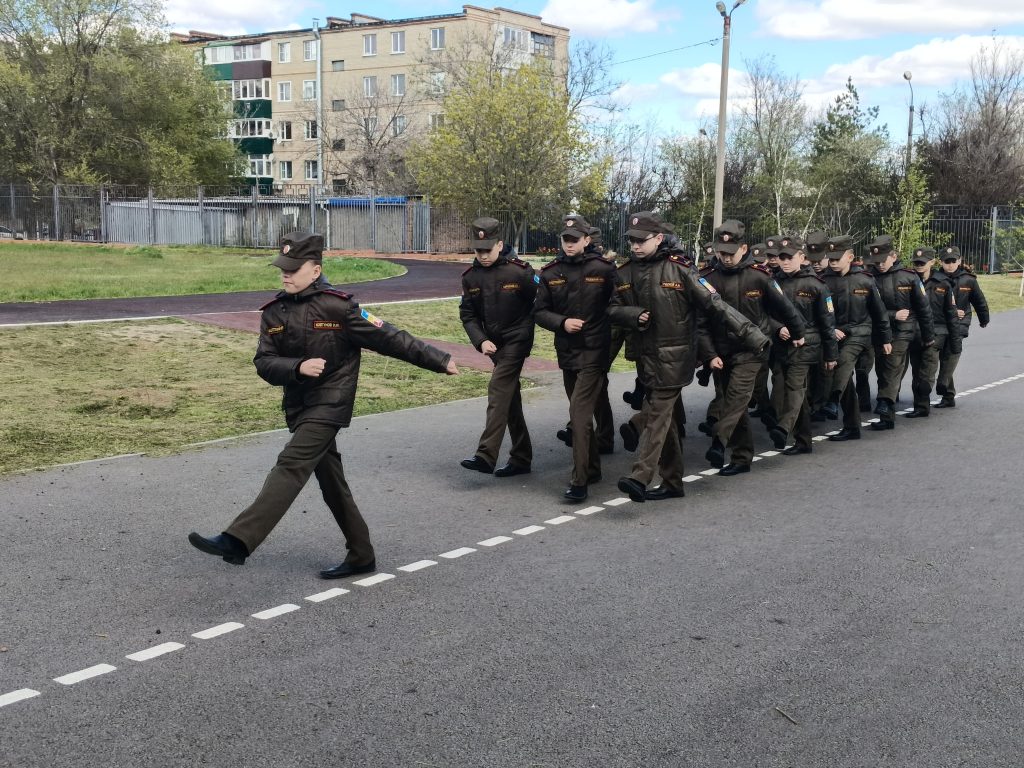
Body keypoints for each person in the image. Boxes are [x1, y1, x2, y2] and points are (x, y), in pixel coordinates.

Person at [188, 231, 458, 578]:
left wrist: (439, 359)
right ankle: (361, 554)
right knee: (332, 483)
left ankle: (238, 539)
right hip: (298, 406)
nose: (285, 275)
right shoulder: (273, 313)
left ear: (315, 270)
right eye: (282, 268)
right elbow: (264, 363)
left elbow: (389, 337)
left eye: (293, 269)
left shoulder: (339, 307)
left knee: (291, 464)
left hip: (331, 402)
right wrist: (297, 367)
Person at [608, 211, 768, 502]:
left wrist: (752, 334)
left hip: (677, 358)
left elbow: (715, 305)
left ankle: (639, 476)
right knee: (666, 421)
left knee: (658, 413)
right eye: (632, 241)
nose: (635, 246)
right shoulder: (624, 272)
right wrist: (633, 314)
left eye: (641, 240)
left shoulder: (681, 270)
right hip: (646, 357)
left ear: (659, 238)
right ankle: (672, 482)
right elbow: (612, 309)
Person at [697, 222, 805, 476]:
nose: (725, 257)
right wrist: (709, 355)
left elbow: (785, 308)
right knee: (736, 405)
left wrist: (798, 333)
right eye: (721, 252)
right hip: (722, 352)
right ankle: (742, 457)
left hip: (753, 350)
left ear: (743, 248)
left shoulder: (760, 276)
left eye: (730, 252)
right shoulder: (708, 279)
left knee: (736, 397)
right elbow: (700, 324)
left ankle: (719, 442)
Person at [535, 214, 617, 501]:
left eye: (574, 240)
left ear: (586, 240)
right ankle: (592, 468)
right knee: (579, 413)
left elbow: (618, 304)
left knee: (579, 414)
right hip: (567, 351)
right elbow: (539, 311)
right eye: (565, 239)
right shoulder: (550, 272)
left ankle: (579, 481)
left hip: (595, 351)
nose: (569, 244)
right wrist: (562, 323)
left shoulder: (604, 269)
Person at [458, 217, 537, 477]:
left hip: (517, 340)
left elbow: (539, 303)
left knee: (498, 387)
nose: (482, 255)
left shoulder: (520, 272)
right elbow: (468, 315)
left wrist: (525, 330)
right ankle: (521, 457)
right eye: (478, 250)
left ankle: (486, 455)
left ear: (500, 245)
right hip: (494, 345)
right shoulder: (470, 277)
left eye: (487, 250)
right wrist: (480, 340)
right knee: (509, 399)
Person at [767, 235, 838, 455]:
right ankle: (803, 440)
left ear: (801, 256)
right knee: (787, 392)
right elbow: (764, 314)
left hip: (806, 346)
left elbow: (827, 323)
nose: (785, 262)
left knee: (795, 387)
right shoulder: (772, 282)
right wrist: (778, 328)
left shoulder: (816, 285)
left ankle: (783, 427)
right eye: (782, 258)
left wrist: (831, 355)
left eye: (789, 257)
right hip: (781, 345)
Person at [821, 235, 892, 442]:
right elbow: (821, 313)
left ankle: (833, 399)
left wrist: (886, 339)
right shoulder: (824, 281)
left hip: (860, 333)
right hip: (835, 334)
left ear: (850, 257)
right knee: (845, 381)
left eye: (837, 258)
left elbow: (879, 313)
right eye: (831, 258)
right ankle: (852, 426)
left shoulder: (865, 280)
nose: (833, 262)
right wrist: (831, 329)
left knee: (843, 361)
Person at [862, 234, 934, 430]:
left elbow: (924, 309)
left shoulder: (909, 277)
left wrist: (928, 336)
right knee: (882, 370)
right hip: (880, 331)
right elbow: (867, 310)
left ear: (893, 256)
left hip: (905, 331)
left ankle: (886, 402)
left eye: (883, 260)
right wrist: (893, 315)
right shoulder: (868, 279)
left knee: (892, 365)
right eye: (876, 261)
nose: (880, 265)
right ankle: (887, 418)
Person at [904, 247, 961, 418]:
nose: (919, 266)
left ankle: (929, 390)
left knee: (927, 368)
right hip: (915, 332)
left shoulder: (943, 283)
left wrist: (955, 340)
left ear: (932, 262)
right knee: (916, 370)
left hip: (938, 332)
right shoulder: (908, 281)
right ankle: (921, 406)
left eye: (922, 263)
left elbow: (951, 313)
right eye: (916, 263)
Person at [935, 245, 990, 408]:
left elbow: (979, 301)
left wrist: (984, 319)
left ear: (959, 261)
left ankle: (943, 381)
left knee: (952, 351)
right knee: (943, 356)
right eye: (947, 261)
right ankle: (948, 396)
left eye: (953, 261)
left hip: (961, 322)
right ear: (941, 262)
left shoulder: (968, 280)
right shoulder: (935, 278)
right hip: (941, 322)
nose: (950, 264)